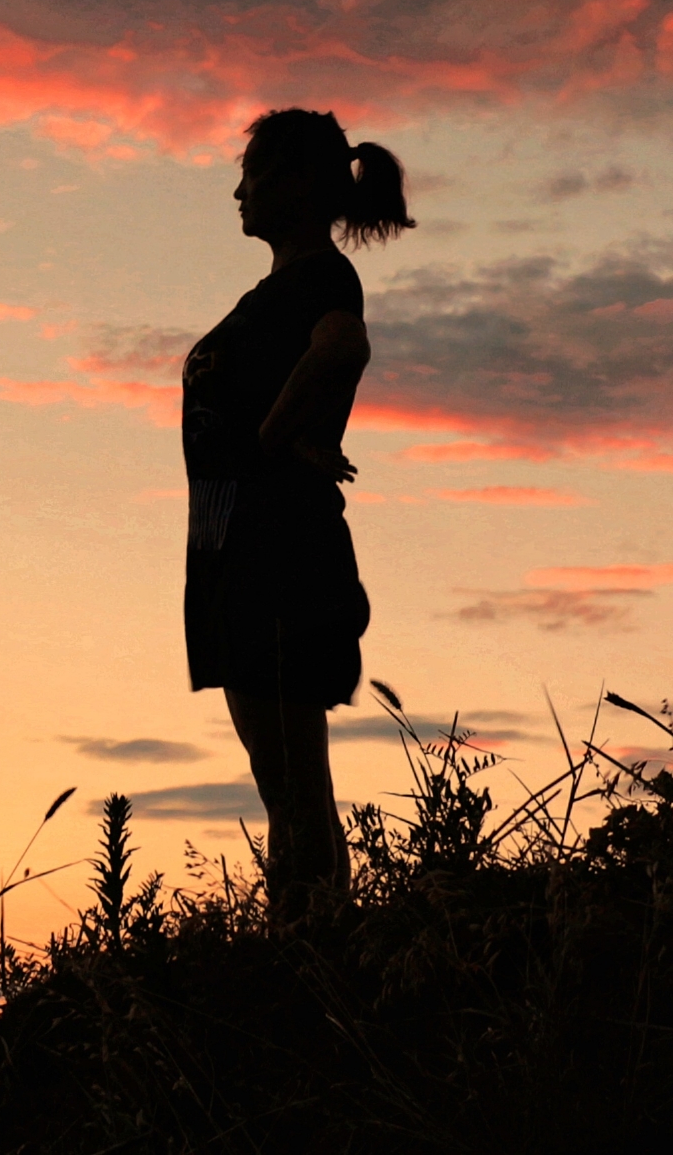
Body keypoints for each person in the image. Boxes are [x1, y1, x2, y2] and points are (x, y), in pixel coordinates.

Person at [181, 107, 413, 906]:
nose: (236, 190)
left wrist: (271, 442)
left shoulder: (320, 278)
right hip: (237, 554)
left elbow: (344, 346)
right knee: (282, 784)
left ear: (292, 182)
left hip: (275, 552)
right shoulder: (279, 291)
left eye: (250, 172)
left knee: (294, 788)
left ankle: (309, 958)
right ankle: (305, 951)